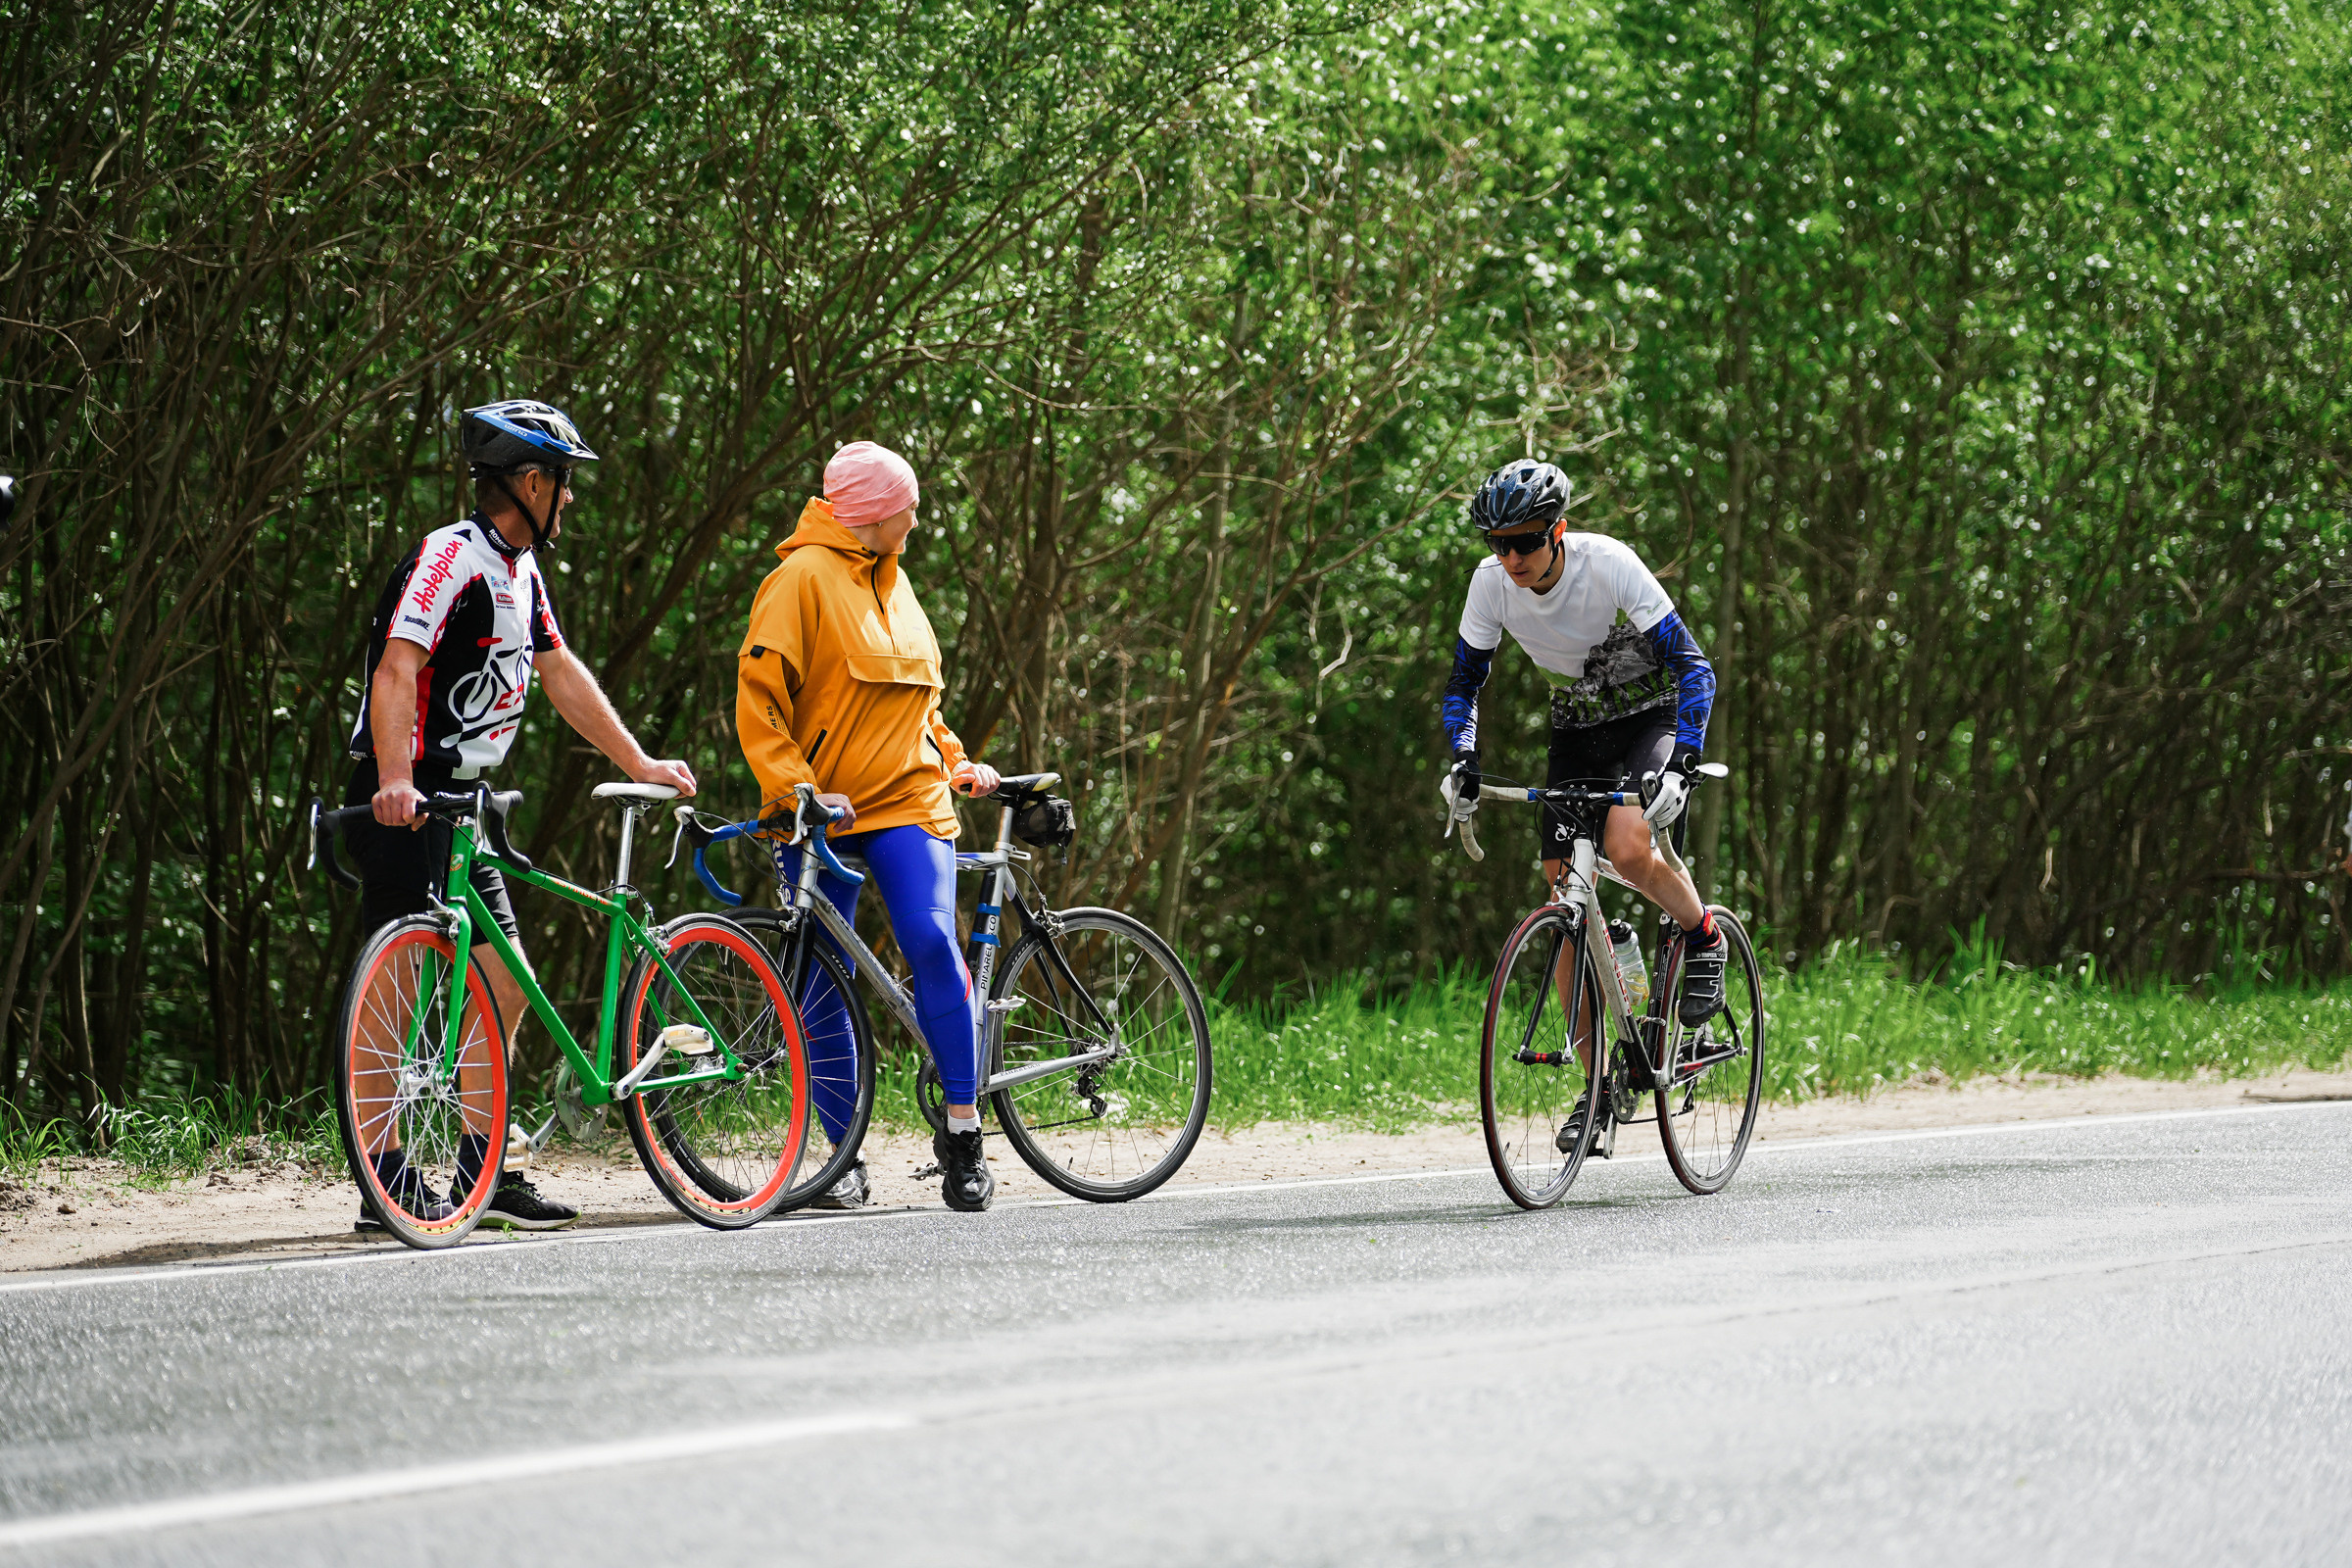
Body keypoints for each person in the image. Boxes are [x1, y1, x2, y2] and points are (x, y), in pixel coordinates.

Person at [343, 399, 697, 1232]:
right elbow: (398, 670)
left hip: (471, 803)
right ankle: (384, 1178)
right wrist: (395, 778)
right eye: (564, 484)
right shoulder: (450, 557)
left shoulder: (521, 570)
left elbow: (561, 672)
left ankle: (484, 1168)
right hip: (408, 793)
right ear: (530, 481)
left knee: (503, 986)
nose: (569, 501)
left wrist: (638, 761)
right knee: (391, 993)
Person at [737, 441, 1004, 1212]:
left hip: (909, 801)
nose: (916, 520)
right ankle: (837, 1156)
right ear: (873, 512)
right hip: (823, 808)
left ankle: (963, 1130)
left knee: (929, 940)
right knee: (821, 978)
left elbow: (920, 707)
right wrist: (793, 789)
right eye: (907, 507)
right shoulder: (798, 580)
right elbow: (760, 697)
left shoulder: (899, 580)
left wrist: (955, 760)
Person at [1441, 460, 1724, 1142]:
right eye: (1497, 543)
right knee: (1561, 897)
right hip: (1576, 730)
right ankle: (1600, 1088)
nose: (1510, 557)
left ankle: (1703, 936)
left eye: (1525, 541)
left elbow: (1694, 669)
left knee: (1628, 849)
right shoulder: (1491, 586)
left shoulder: (1609, 564)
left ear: (1557, 531)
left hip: (1648, 718)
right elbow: (1463, 685)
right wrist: (1464, 760)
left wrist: (1681, 764)